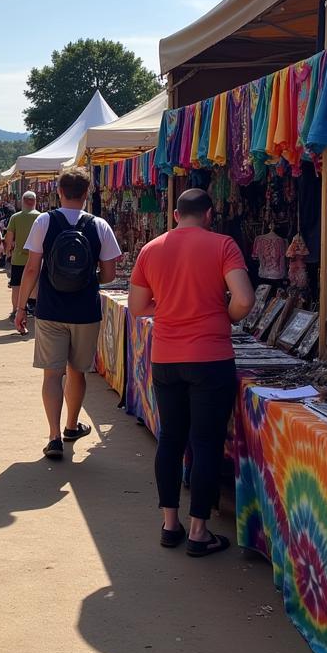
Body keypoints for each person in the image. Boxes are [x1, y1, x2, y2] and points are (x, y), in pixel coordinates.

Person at [128, 188, 254, 557]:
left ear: (176, 215)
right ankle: (199, 530)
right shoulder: (222, 245)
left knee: (171, 439)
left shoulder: (151, 248)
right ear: (210, 214)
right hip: (210, 356)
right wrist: (222, 316)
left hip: (166, 355)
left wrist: (168, 307)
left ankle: (170, 523)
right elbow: (244, 299)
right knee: (205, 442)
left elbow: (137, 307)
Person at [15, 168, 121, 459]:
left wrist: (21, 307)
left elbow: (33, 269)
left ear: (59, 192)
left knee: (52, 374)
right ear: (87, 194)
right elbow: (110, 274)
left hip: (51, 308)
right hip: (86, 310)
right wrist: (86, 280)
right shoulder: (99, 225)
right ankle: (72, 426)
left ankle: (53, 437)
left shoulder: (44, 221)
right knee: (77, 371)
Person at [4, 191, 41, 320]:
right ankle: (34, 308)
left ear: (23, 201)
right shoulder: (42, 217)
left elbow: (9, 238)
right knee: (35, 284)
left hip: (19, 257)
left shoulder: (15, 217)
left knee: (16, 286)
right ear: (35, 201)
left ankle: (16, 310)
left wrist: (7, 251)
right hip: (37, 258)